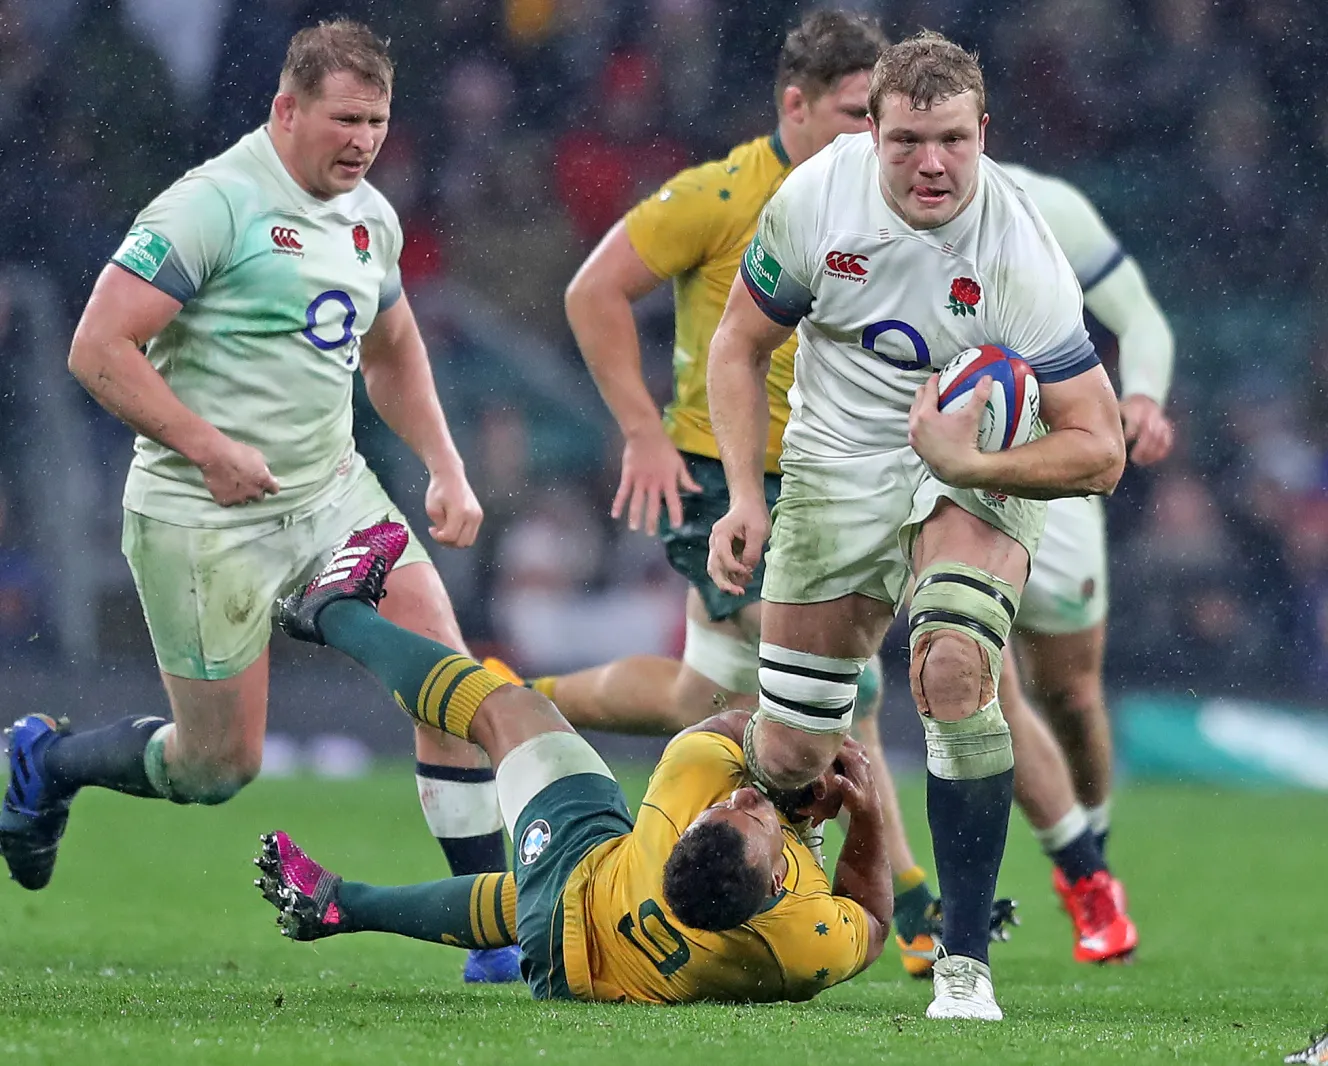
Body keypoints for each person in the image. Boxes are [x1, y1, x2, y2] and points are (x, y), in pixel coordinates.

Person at [0, 20, 518, 983]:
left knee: (448, 684)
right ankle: (48, 764)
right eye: (345, 119)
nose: (364, 140)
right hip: (202, 516)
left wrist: (444, 462)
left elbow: (393, 345)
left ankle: (491, 940)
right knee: (215, 769)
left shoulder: (371, 214)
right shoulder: (215, 205)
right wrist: (206, 446)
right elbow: (96, 348)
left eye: (379, 120)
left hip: (332, 496)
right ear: (286, 111)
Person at [705, 32, 1126, 1019]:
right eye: (903, 141)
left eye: (948, 139)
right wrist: (741, 493)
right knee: (793, 755)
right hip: (835, 466)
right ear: (871, 132)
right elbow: (736, 343)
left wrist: (968, 464)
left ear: (983, 132)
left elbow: (1098, 448)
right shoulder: (814, 201)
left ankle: (962, 964)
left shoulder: (1018, 252)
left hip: (971, 471)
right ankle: (750, 879)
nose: (928, 163)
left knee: (951, 671)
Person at [524, 11, 947, 977]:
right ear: (792, 105)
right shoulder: (720, 194)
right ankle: (913, 897)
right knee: (836, 668)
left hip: (829, 476)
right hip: (723, 482)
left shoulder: (879, 208)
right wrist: (639, 431)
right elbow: (592, 292)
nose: (874, 135)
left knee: (698, 691)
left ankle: (518, 698)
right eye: (854, 113)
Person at [256, 521, 891, 1004]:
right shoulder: (801, 950)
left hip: (580, 881)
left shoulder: (686, 787)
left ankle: (335, 613)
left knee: (505, 712)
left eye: (738, 808)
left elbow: (728, 726)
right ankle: (340, 904)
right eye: (737, 806)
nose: (741, 797)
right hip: (570, 972)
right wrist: (864, 818)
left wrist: (797, 758)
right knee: (520, 897)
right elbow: (873, 920)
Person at [995, 161, 1174, 952]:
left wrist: (1143, 395)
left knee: (1068, 691)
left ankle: (1090, 854)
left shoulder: (1046, 207)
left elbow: (1142, 319)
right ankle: (954, 914)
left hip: (1050, 465)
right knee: (970, 680)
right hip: (931, 467)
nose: (929, 160)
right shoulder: (853, 209)